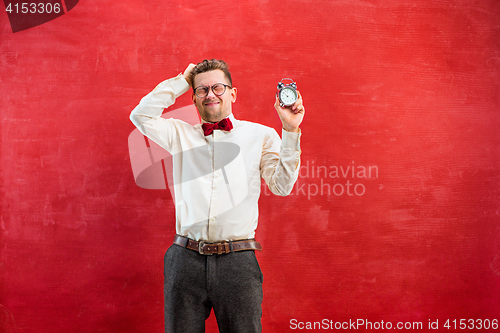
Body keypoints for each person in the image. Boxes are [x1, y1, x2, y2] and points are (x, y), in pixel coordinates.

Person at [129, 59, 305, 333]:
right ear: (194, 98)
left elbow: (282, 186)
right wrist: (181, 80)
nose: (210, 94)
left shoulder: (261, 135)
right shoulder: (179, 134)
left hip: (238, 262)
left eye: (218, 88)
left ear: (233, 93)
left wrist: (291, 131)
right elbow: (140, 116)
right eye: (202, 90)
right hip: (184, 260)